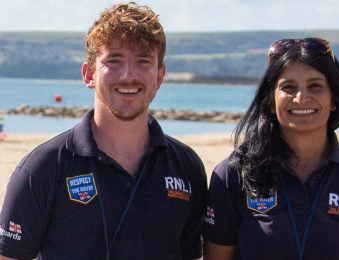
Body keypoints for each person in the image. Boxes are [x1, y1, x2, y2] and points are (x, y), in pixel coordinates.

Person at [0, 2, 207, 260]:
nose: (128, 75)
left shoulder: (186, 167)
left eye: (143, 61)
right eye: (114, 61)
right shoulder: (42, 168)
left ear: (160, 76)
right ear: (89, 75)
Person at [203, 38, 339, 260]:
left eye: (315, 86)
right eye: (288, 87)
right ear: (270, 101)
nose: (301, 98)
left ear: (334, 100)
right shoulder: (232, 174)